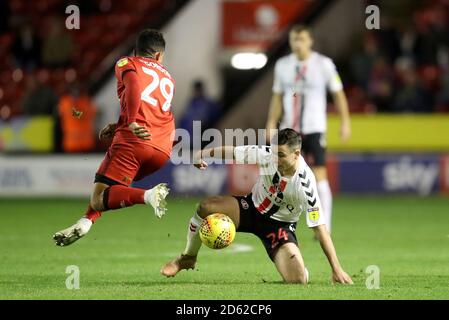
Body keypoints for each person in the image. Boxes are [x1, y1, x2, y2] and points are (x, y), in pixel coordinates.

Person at [162, 129, 353, 284]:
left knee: (297, 280)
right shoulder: (267, 155)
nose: (275, 159)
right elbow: (232, 151)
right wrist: (202, 153)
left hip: (279, 227)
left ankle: (298, 266)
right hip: (250, 209)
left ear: (296, 154)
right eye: (273, 153)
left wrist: (336, 269)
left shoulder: (306, 184)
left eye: (281, 155)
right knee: (206, 207)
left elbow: (320, 229)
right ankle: (187, 258)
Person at [53, 29, 175, 246]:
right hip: (162, 149)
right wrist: (121, 124)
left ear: (136, 51)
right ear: (158, 56)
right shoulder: (168, 77)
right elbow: (153, 111)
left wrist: (131, 123)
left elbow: (134, 86)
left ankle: (148, 196)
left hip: (135, 142)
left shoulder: (126, 63)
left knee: (99, 198)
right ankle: (86, 221)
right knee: (112, 191)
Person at [265, 25, 351, 233]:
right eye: (294, 39)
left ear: (310, 41)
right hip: (289, 130)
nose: (297, 43)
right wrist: (270, 122)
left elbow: (338, 94)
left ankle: (324, 226)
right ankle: (282, 223)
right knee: (282, 173)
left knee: (320, 174)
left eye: (302, 39)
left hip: (314, 128)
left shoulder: (324, 64)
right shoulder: (283, 65)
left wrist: (345, 122)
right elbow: (277, 96)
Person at [58, 83, 97, 153]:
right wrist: (73, 104)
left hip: (86, 145)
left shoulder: (86, 102)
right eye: (73, 92)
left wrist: (76, 104)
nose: (75, 95)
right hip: (71, 145)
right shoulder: (65, 102)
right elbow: (75, 114)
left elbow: (87, 114)